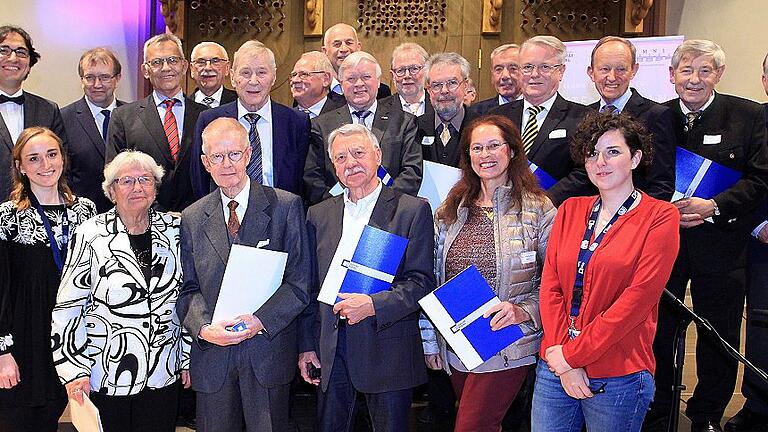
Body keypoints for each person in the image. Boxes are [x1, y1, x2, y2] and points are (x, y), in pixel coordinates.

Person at [533, 112, 680, 432]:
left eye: (613, 151)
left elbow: (637, 301)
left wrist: (574, 355)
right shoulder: (570, 209)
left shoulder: (660, 216)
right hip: (554, 364)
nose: (600, 161)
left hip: (618, 370)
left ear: (635, 157)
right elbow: (552, 287)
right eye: (592, 153)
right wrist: (563, 358)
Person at [650, 40, 768, 432]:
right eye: (686, 71)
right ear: (672, 76)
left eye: (704, 71)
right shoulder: (655, 116)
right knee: (659, 331)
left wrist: (714, 205)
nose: (694, 79)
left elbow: (761, 179)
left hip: (722, 245)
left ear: (719, 74)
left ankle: (706, 416)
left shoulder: (748, 115)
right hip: (664, 245)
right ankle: (660, 408)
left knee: (718, 335)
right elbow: (643, 177)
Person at [420, 114, 555, 431]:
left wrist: (523, 312)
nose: (485, 155)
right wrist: (430, 341)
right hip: (457, 343)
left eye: (494, 146)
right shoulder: (449, 210)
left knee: (471, 426)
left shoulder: (539, 209)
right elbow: (432, 281)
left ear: (511, 151)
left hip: (506, 342)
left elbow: (556, 282)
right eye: (476, 148)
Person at [297, 123, 435, 432]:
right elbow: (308, 287)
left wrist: (373, 305)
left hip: (387, 348)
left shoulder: (410, 210)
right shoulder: (318, 214)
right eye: (341, 157)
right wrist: (307, 345)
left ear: (377, 155)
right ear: (334, 167)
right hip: (331, 351)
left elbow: (421, 282)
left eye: (358, 153)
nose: (351, 163)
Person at [177, 117, 310, 432]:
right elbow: (187, 288)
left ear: (249, 154)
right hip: (213, 358)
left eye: (234, 154)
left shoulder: (285, 207)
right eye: (217, 157)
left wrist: (260, 320)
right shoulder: (193, 217)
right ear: (205, 162)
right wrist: (205, 328)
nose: (227, 164)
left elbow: (299, 284)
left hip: (266, 353)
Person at [51, 150, 189, 432]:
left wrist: (186, 357)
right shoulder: (91, 234)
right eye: (126, 181)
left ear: (155, 187)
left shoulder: (176, 229)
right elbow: (68, 307)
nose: (137, 187)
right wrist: (73, 371)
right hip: (107, 370)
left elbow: (188, 295)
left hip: (163, 371)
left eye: (145, 179)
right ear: (111, 190)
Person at [0, 127, 96, 431]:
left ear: (63, 158)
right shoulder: (7, 217)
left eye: (52, 155)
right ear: (20, 166)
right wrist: (3, 353)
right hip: (25, 343)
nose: (46, 165)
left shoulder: (87, 212)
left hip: (74, 342)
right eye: (34, 158)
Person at [190, 41, 310, 200]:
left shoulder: (296, 122)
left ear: (273, 77)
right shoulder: (209, 119)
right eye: (245, 73)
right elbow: (199, 181)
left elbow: (303, 182)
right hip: (226, 217)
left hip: (281, 218)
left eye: (261, 72)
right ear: (232, 77)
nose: (253, 81)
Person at [304, 51, 422, 205]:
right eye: (351, 79)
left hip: (390, 214)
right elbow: (312, 178)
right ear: (341, 84)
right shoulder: (320, 125)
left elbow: (412, 173)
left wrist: (380, 205)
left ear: (379, 81)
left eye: (366, 77)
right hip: (340, 215)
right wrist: (341, 208)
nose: (359, 84)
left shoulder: (404, 122)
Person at [106, 33, 207, 212]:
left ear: (184, 66)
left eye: (173, 60)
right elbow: (116, 176)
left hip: (199, 218)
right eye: (157, 62)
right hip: (144, 218)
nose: (166, 68)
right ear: (145, 70)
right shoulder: (123, 117)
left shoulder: (206, 116)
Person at [492, 36, 591, 206]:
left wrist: (543, 201)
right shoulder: (497, 117)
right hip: (502, 211)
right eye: (527, 67)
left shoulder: (583, 118)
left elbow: (585, 172)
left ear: (561, 71)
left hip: (557, 213)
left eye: (544, 67)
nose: (534, 74)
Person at [724, 51, 768, 432]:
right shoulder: (756, 120)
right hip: (763, 241)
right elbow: (748, 179)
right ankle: (758, 405)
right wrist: (759, 223)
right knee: (760, 325)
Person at [586, 36, 676, 201]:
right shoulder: (583, 115)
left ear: (634, 70)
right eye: (604, 69)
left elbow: (661, 184)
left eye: (621, 69)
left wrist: (637, 219)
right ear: (591, 72)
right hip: (591, 217)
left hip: (637, 219)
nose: (612, 77)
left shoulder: (657, 116)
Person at [0, 25, 67, 200]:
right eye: (4, 50)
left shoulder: (48, 110)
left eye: (21, 52)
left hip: (37, 212)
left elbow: (61, 164)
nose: (13, 58)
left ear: (29, 65)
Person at [62, 47, 126, 213]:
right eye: (90, 77)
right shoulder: (63, 118)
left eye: (105, 77)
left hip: (129, 215)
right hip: (80, 216)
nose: (97, 85)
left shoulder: (133, 116)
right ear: (81, 79)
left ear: (117, 78)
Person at [418, 52, 480, 168]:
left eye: (452, 83)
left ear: (466, 86)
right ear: (429, 90)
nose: (444, 91)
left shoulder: (481, 126)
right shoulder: (416, 127)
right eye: (436, 85)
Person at [322, 23, 391, 100]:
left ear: (358, 47)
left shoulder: (381, 92)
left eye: (349, 43)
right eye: (337, 44)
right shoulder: (317, 92)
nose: (344, 49)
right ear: (325, 51)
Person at [291, 51, 345, 118]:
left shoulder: (343, 117)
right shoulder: (284, 117)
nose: (295, 80)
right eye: (294, 75)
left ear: (325, 79)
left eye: (304, 74)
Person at [473, 44, 522, 115]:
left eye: (513, 68)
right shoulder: (476, 113)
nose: (505, 76)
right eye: (498, 69)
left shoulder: (535, 110)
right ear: (492, 75)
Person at [386, 42, 431, 117]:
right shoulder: (380, 110)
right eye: (400, 70)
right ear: (392, 75)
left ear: (426, 71)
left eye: (414, 69)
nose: (407, 76)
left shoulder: (438, 104)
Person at [189, 41, 237, 108]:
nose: (208, 68)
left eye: (215, 61)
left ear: (227, 68)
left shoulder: (240, 102)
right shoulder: (183, 105)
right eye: (201, 62)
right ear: (192, 69)